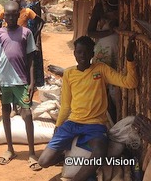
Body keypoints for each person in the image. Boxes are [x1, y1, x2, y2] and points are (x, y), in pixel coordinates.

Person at [38, 35, 138, 181]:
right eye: (79, 52)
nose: (83, 55)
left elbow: (130, 82)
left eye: (86, 52)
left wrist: (130, 59)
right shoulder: (69, 74)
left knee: (100, 151)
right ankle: (66, 156)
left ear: (93, 54)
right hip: (72, 123)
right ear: (74, 53)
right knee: (43, 161)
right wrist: (58, 125)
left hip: (95, 124)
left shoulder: (101, 70)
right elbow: (66, 104)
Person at [0, 1, 42, 171]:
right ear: (3, 15)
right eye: (8, 14)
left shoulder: (26, 33)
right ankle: (10, 149)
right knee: (6, 113)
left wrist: (32, 81)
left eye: (14, 14)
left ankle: (32, 153)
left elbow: (31, 59)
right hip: (4, 80)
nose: (11, 17)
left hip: (21, 80)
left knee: (27, 114)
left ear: (19, 15)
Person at [0, 0, 45, 116]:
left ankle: (21, 103)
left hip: (22, 43)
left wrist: (34, 36)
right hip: (9, 42)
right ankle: (13, 108)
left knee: (22, 75)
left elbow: (40, 21)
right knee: (10, 76)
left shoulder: (27, 11)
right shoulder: (5, 11)